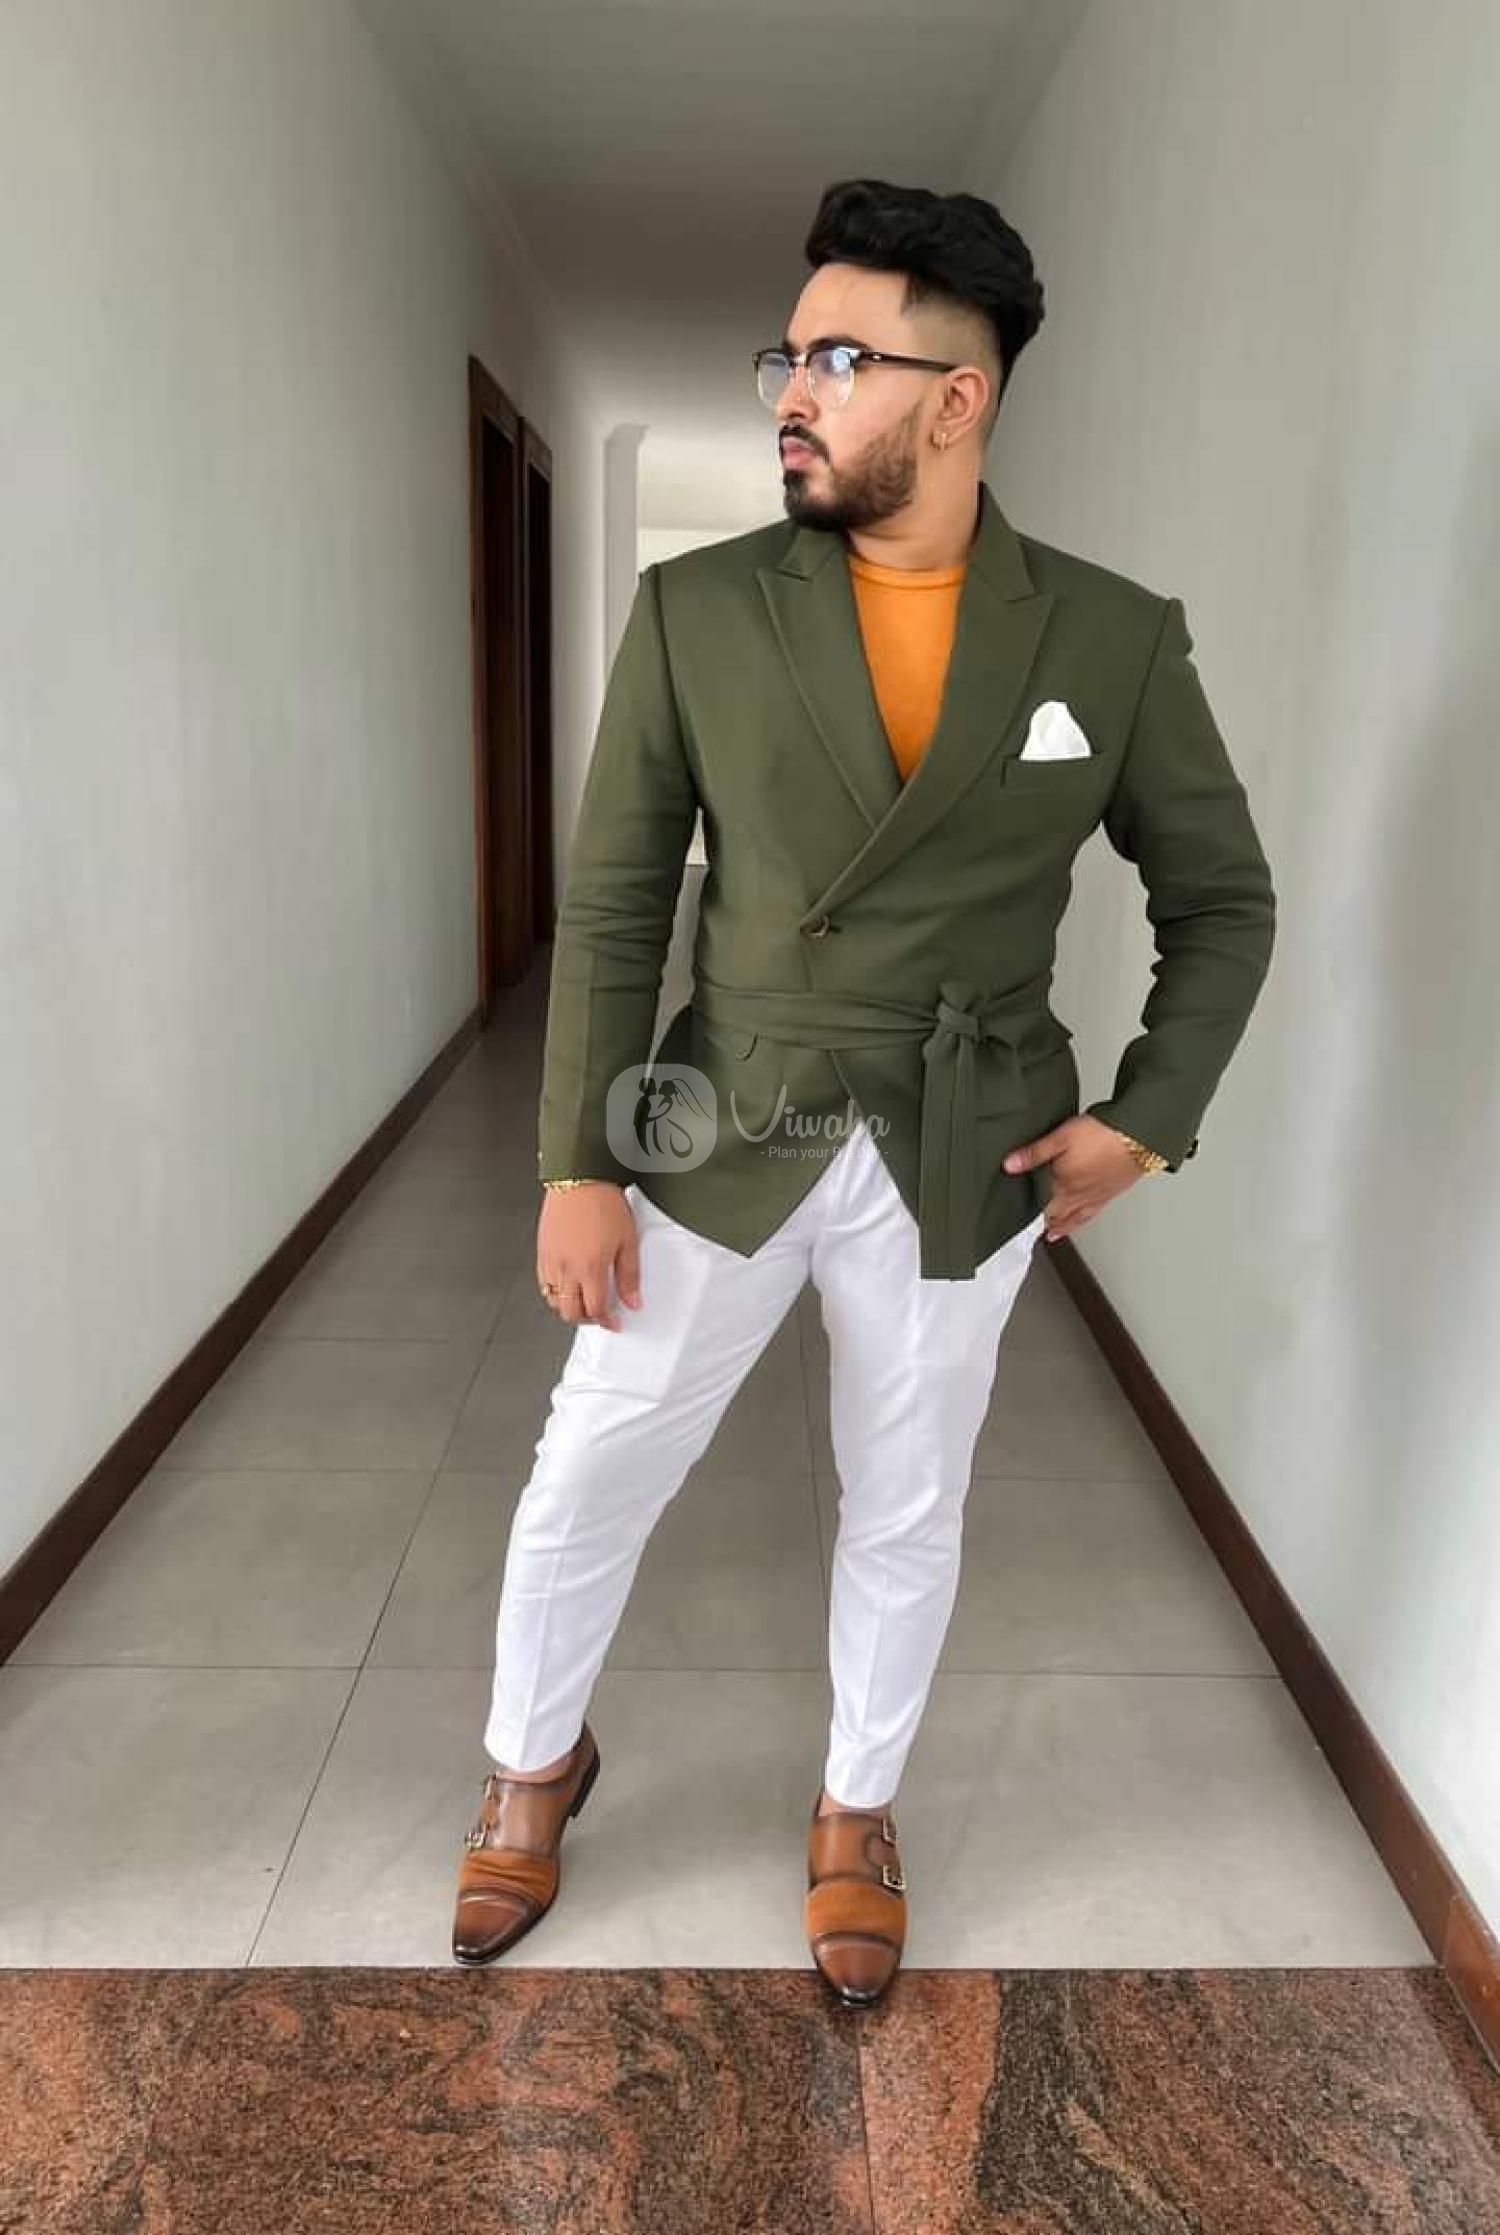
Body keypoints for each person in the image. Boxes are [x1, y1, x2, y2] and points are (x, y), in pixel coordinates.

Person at [451, 177, 1277, 2004]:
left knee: (908, 1493)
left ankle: (857, 1807)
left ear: (957, 400)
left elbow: (1223, 899)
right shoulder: (698, 610)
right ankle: (531, 1766)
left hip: (969, 1132)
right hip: (721, 1113)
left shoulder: (1110, 637)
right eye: (788, 358)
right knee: (592, 1462)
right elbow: (614, 898)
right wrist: (578, 1158)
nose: (792, 394)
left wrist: (1149, 1115)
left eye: (838, 360)